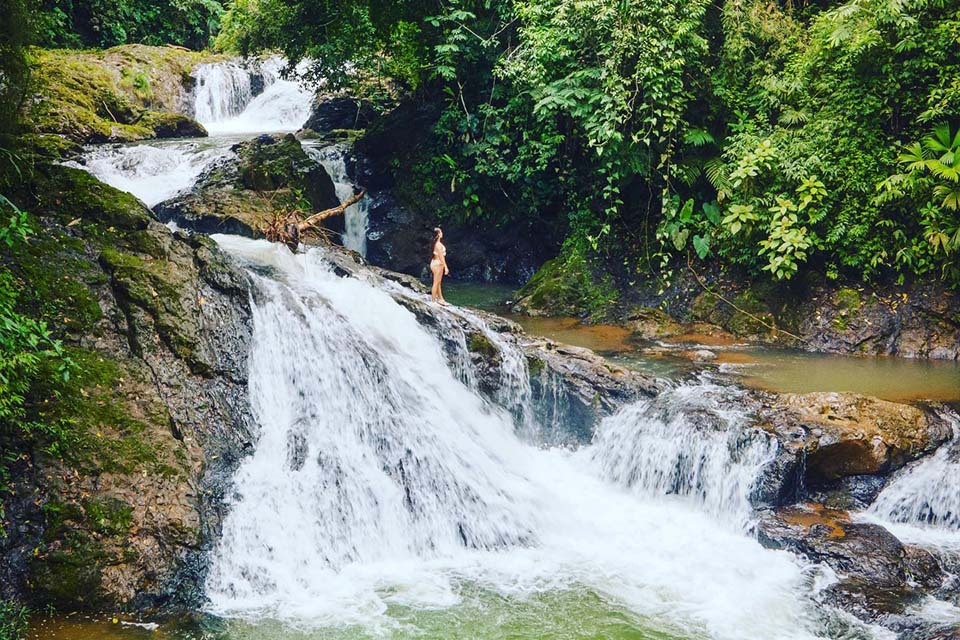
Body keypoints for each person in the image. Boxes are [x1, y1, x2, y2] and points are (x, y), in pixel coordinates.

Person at [429, 227, 449, 304]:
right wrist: (446, 267)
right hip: (438, 264)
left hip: (434, 262)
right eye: (440, 232)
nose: (442, 233)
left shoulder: (435, 244)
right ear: (438, 235)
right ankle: (433, 301)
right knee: (436, 283)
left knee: (438, 282)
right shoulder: (438, 245)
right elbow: (441, 257)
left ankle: (440, 299)